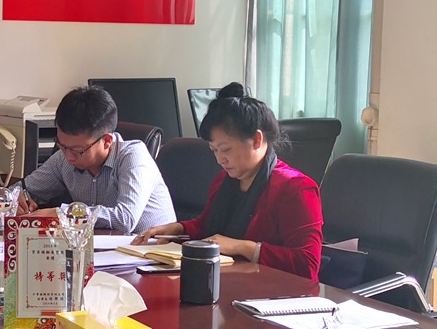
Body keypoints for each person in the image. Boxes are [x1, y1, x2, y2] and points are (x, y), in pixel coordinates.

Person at [132, 82, 322, 278]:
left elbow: (308, 263)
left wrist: (243, 247)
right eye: (214, 151)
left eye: (226, 149)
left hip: (276, 290)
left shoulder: (295, 188)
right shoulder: (224, 180)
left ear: (257, 140)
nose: (220, 160)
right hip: (229, 280)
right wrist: (177, 229)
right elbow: (207, 228)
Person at [17, 85, 177, 232]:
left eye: (77, 150)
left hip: (152, 250)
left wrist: (64, 213)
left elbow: (125, 219)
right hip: (100, 248)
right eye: (62, 146)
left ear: (107, 141)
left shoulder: (133, 157)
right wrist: (19, 198)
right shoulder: (63, 158)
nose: (68, 156)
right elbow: (21, 189)